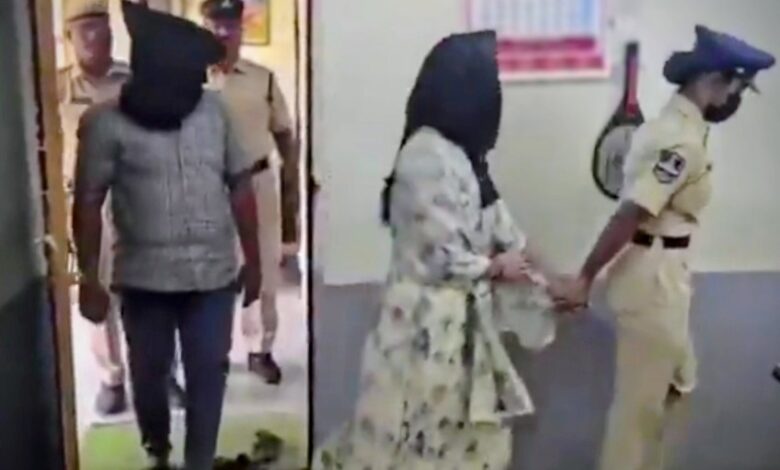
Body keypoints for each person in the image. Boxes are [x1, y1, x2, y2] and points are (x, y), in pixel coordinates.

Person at [313, 31, 571, 469]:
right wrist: (495, 268)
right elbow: (441, 254)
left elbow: (507, 233)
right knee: (410, 443)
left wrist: (557, 284)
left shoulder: (464, 158)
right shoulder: (425, 155)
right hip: (421, 329)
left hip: (456, 332)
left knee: (458, 443)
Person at [555, 25, 775, 470]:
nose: (734, 100)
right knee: (637, 414)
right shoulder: (680, 141)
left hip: (666, 274)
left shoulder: (675, 127)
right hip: (653, 281)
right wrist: (585, 277)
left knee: (661, 401)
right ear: (714, 81)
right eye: (736, 89)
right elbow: (631, 214)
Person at [72, 2, 261, 468]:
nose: (199, 82)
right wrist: (88, 278)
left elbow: (240, 185)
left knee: (208, 373)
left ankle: (199, 461)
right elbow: (88, 202)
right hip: (143, 279)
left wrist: (254, 261)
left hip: (212, 276)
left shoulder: (215, 113)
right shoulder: (104, 124)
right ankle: (157, 451)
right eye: (190, 73)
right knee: (149, 376)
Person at [59, 0, 187, 418]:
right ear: (69, 37)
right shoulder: (56, 89)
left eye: (102, 26)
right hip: (86, 203)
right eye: (86, 29)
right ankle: (112, 378)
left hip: (139, 196)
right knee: (96, 285)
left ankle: (162, 374)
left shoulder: (133, 80)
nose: (97, 36)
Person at [201, 0, 299, 385]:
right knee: (209, 271)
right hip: (207, 185)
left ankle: (260, 349)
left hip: (257, 182)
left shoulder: (263, 80)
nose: (224, 33)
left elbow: (285, 135)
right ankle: (212, 351)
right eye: (216, 25)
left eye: (231, 25)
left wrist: (291, 188)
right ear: (205, 29)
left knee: (264, 268)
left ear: (241, 30)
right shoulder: (190, 81)